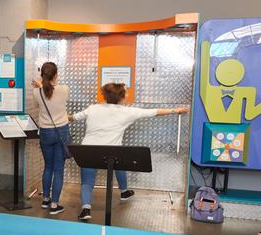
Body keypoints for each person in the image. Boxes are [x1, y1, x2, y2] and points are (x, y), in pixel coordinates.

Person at [71, 83, 189, 221]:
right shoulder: (127, 112)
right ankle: (124, 191)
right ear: (121, 97)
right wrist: (176, 110)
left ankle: (86, 209)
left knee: (87, 182)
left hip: (88, 151)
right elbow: (153, 112)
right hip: (111, 153)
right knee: (120, 162)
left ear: (105, 96)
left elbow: (73, 117)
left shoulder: (93, 108)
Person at [31, 62, 71, 215]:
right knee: (58, 169)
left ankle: (45, 199)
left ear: (42, 75)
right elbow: (54, 92)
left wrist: (40, 86)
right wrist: (42, 85)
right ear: (55, 75)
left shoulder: (37, 92)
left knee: (48, 166)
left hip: (45, 132)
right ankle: (54, 205)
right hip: (61, 131)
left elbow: (38, 105)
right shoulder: (64, 89)